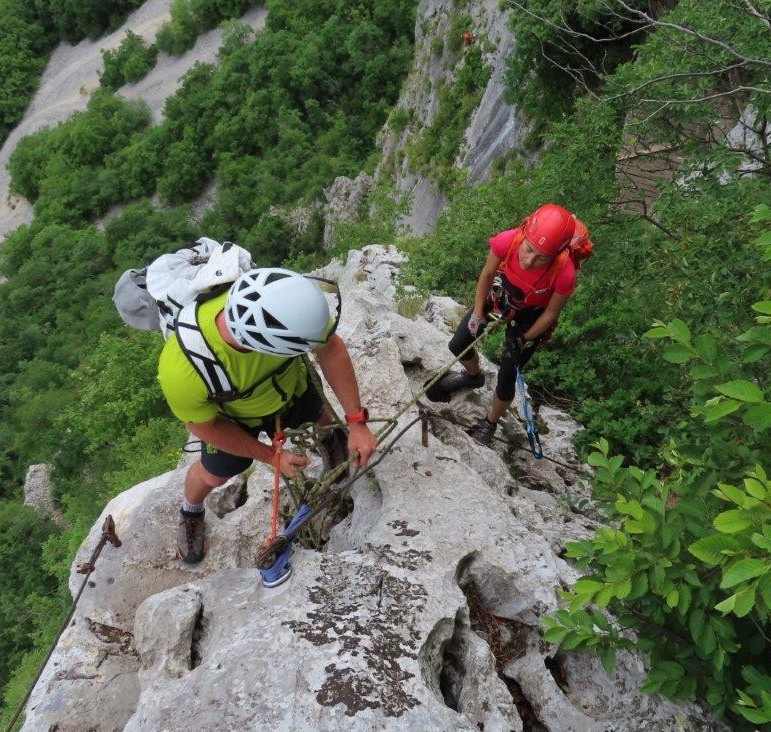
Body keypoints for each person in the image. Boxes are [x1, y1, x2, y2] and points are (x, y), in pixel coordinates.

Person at [157, 266, 377, 564]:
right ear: (266, 346)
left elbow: (330, 349)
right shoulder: (183, 370)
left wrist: (357, 422)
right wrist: (269, 455)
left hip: (290, 387)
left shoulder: (282, 299)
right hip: (234, 418)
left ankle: (333, 440)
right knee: (214, 474)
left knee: (321, 417)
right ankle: (191, 510)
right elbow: (206, 427)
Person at [430, 203, 586, 446]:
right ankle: (473, 376)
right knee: (459, 342)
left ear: (555, 255)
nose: (529, 260)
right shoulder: (508, 241)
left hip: (533, 315)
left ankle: (490, 423)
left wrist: (523, 339)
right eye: (528, 249)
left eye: (541, 257)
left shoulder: (565, 274)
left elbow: (551, 313)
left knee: (507, 375)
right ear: (523, 235)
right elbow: (488, 274)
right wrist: (478, 313)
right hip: (502, 296)